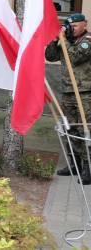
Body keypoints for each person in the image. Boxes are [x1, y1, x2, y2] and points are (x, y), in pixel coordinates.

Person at [45, 12, 91, 184]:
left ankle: (88, 168)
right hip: (67, 92)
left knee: (84, 130)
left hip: (85, 94)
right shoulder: (67, 41)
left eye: (75, 26)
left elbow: (73, 58)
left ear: (84, 25)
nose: (72, 29)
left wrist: (63, 40)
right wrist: (55, 38)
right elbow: (49, 56)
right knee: (69, 129)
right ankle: (75, 165)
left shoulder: (87, 41)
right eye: (69, 26)